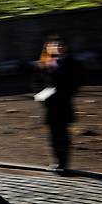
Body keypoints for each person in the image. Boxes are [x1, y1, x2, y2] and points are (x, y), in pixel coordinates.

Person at [33, 34, 83, 174]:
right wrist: (40, 94)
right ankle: (56, 160)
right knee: (52, 135)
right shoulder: (43, 63)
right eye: (54, 45)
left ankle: (63, 163)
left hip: (63, 103)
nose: (58, 48)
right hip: (49, 105)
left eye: (61, 45)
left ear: (66, 47)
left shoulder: (73, 63)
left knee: (63, 135)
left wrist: (59, 91)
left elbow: (77, 82)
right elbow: (36, 82)